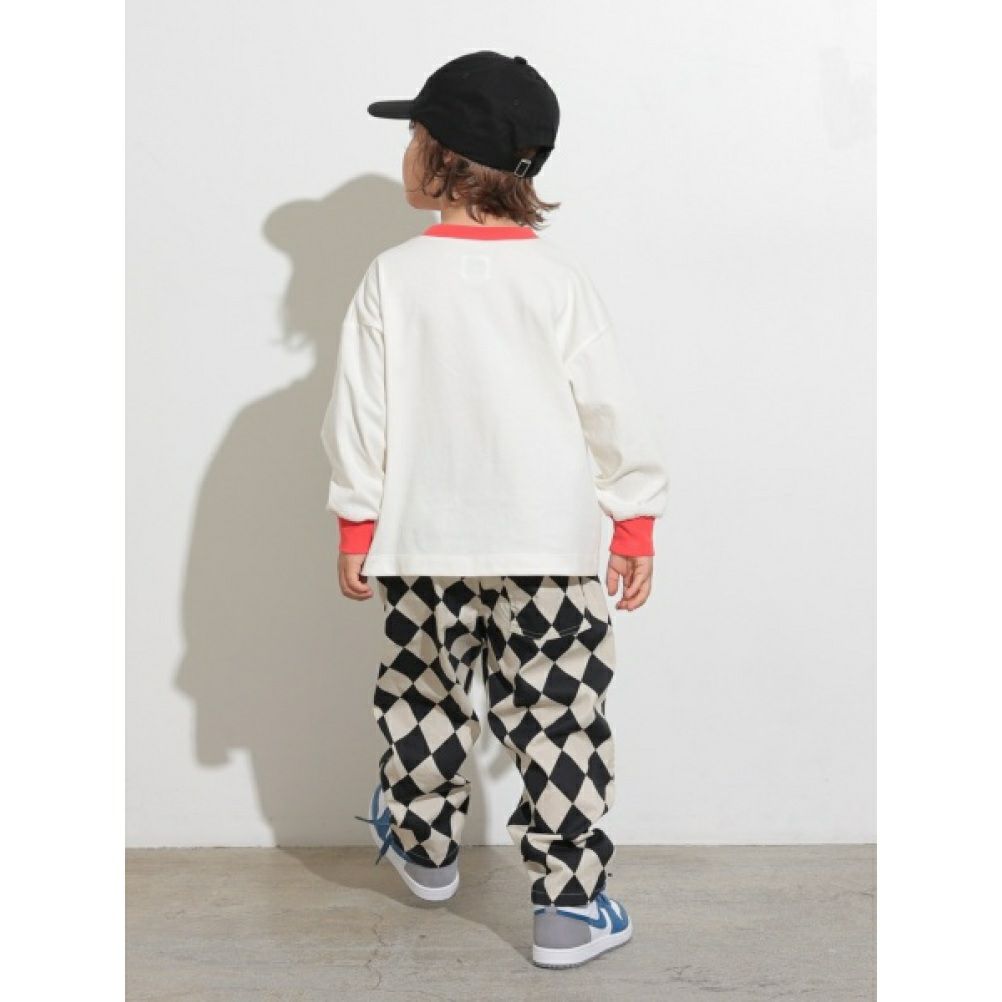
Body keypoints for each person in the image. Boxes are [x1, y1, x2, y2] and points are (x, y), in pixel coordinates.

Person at [321, 49, 669, 969]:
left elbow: (360, 414)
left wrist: (358, 521)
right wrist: (633, 517)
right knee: (559, 720)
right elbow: (612, 409)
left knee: (421, 696)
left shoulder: (392, 277)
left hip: (422, 547)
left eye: (412, 135)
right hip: (548, 551)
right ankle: (569, 911)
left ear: (444, 157)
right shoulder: (558, 282)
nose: (404, 153)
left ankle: (425, 849)